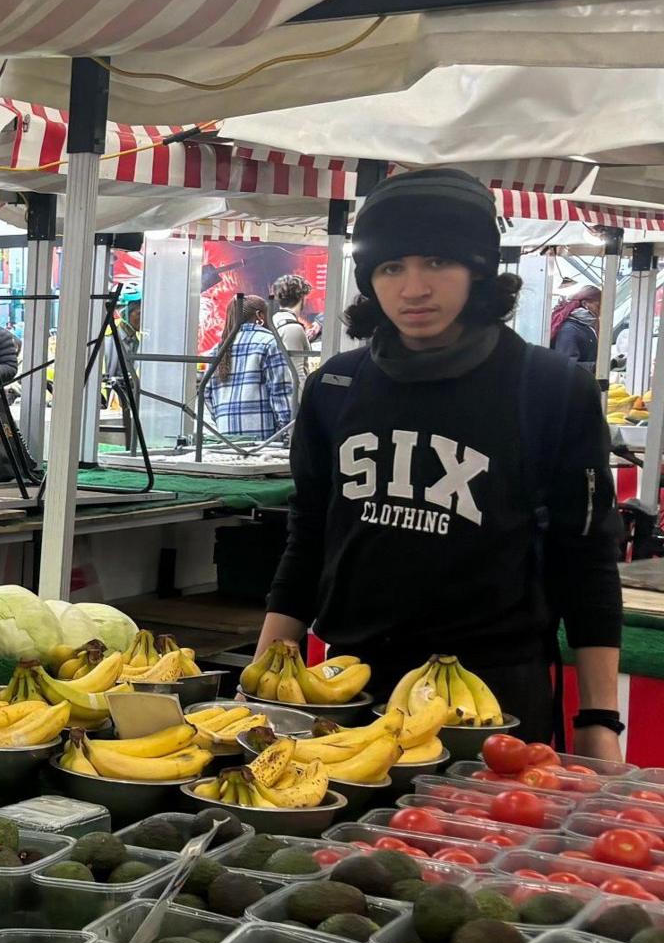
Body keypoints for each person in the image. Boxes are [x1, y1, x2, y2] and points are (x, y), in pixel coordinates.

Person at [261, 167, 622, 755]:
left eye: (436, 261)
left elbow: (586, 559)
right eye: (391, 267)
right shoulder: (335, 387)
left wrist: (600, 718)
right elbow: (306, 541)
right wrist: (266, 683)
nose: (414, 288)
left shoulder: (550, 388)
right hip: (346, 688)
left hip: (490, 701)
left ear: (479, 268)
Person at [197, 295, 297, 442]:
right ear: (259, 316)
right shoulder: (269, 343)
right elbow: (282, 395)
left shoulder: (217, 350)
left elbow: (207, 395)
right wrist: (289, 435)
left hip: (227, 441)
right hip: (264, 442)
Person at [270, 273, 316, 386]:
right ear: (302, 297)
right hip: (292, 399)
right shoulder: (293, 328)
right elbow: (296, 375)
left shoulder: (273, 322)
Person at [551, 279, 602, 370]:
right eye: (598, 306)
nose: (601, 311)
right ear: (585, 304)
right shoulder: (569, 330)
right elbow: (565, 366)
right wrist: (595, 367)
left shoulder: (585, 327)